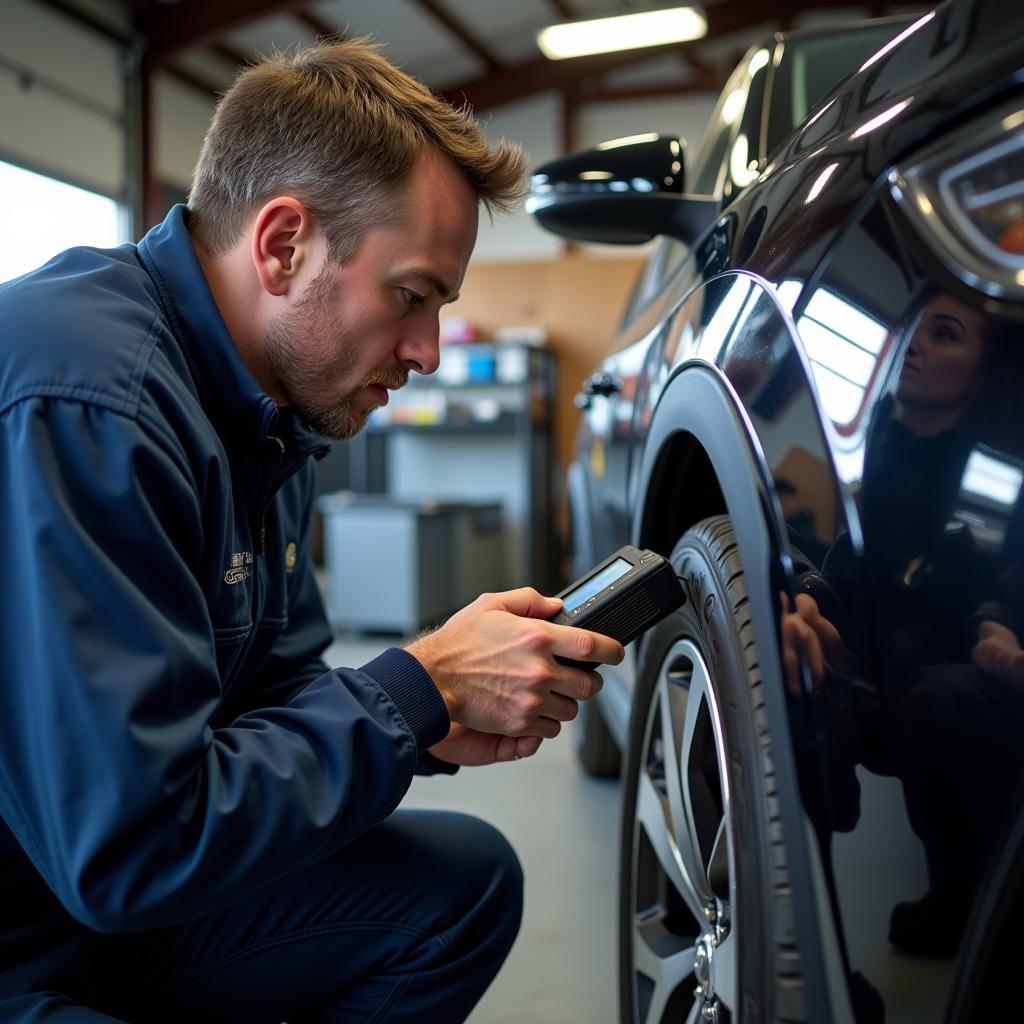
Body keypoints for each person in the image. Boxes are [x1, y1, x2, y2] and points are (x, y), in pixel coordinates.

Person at [0, 40, 624, 1023]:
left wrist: (425, 718)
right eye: (411, 297)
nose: (425, 350)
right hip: (30, 933)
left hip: (90, 901)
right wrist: (414, 687)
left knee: (459, 888)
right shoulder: (88, 402)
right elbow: (128, 848)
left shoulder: (267, 410)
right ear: (283, 244)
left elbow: (274, 695)